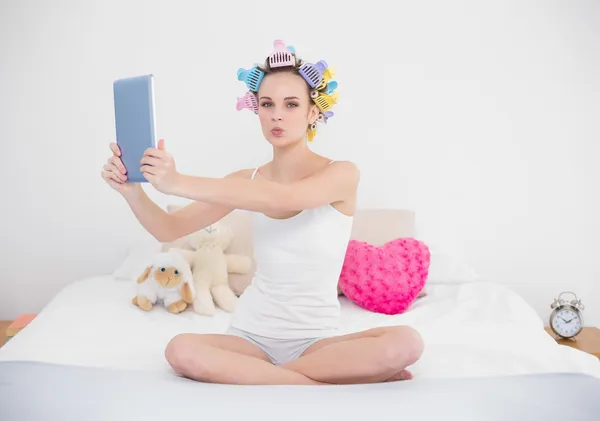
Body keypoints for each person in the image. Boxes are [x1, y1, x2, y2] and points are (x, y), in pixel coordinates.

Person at [101, 40, 424, 386]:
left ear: (313, 113)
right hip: (250, 337)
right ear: (257, 110)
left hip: (317, 342)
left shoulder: (342, 174)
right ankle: (314, 383)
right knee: (180, 350)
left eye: (291, 104)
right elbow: (168, 228)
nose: (277, 115)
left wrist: (178, 181)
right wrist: (130, 191)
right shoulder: (245, 181)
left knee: (406, 342)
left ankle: (269, 378)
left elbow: (282, 199)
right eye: (267, 104)